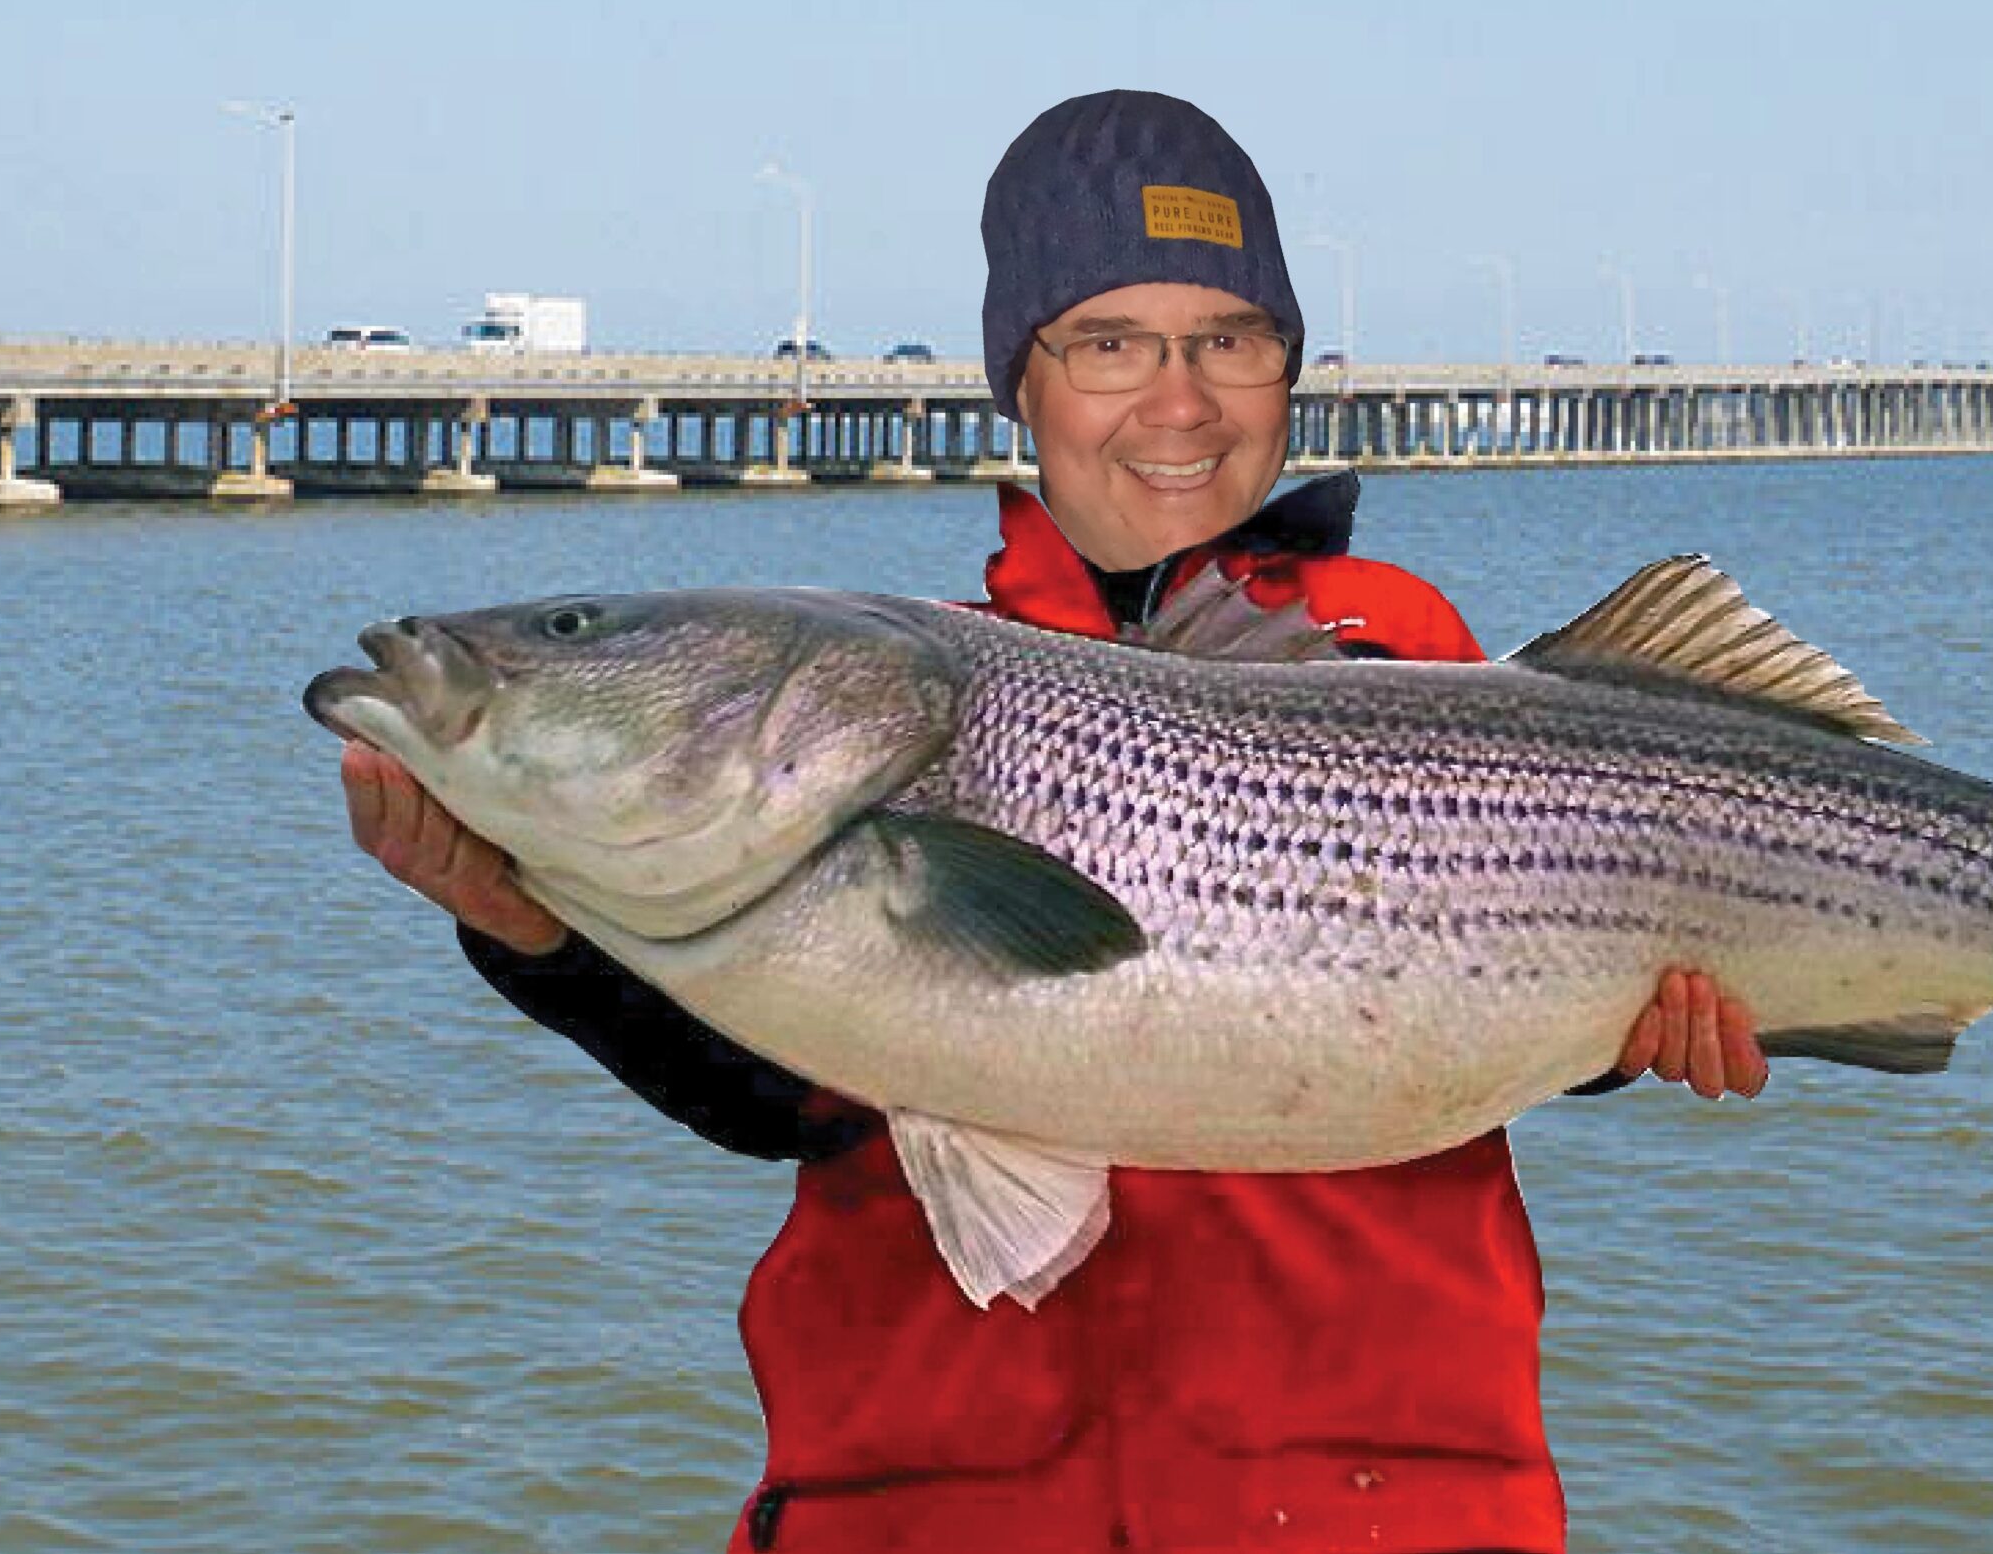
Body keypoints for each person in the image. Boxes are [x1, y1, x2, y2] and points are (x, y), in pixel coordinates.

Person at [340, 90, 1766, 1554]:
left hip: (1375, 1508)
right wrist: (542, 938)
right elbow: (782, 1104)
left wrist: (1626, 1027)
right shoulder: (910, 689)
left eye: (1233, 341)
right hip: (925, 1508)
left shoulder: (1416, 666)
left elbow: (1488, 1004)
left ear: (1291, 373)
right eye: (1108, 344)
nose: (1180, 399)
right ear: (1017, 384)